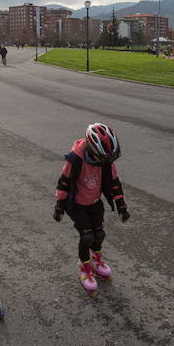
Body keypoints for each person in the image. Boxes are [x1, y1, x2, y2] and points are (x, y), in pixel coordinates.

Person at [53, 123, 129, 296]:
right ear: (92, 149)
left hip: (95, 203)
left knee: (99, 234)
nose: (105, 163)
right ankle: (85, 267)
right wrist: (59, 206)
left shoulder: (106, 161)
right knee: (87, 236)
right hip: (77, 205)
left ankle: (96, 260)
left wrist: (121, 207)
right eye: (102, 159)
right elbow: (63, 182)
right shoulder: (75, 159)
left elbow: (115, 184)